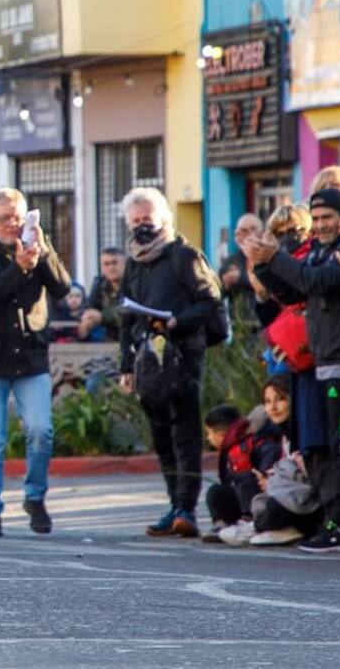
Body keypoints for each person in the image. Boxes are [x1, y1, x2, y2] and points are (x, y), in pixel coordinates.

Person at [247, 187, 340, 552]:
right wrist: (263, 265)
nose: (322, 225)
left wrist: (276, 256)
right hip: (323, 365)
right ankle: (333, 518)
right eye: (318, 218)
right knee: (327, 449)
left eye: (328, 218)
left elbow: (316, 281)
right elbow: (297, 293)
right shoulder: (324, 251)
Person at [118, 187, 223, 539]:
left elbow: (209, 301)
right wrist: (124, 366)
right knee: (161, 435)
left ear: (163, 218)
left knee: (185, 432)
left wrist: (177, 320)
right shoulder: (133, 261)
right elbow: (126, 316)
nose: (142, 227)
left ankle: (186, 508)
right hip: (149, 360)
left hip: (184, 353)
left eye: (147, 219)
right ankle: (173, 503)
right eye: (135, 221)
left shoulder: (183, 254)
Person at [0, 188, 71, 537]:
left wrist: (42, 254)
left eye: (18, 217)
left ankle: (35, 498)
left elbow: (62, 288)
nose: (12, 224)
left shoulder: (35, 243)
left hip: (30, 355)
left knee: (41, 430)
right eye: (5, 218)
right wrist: (18, 267)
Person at [248, 375, 325, 546]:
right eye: (267, 402)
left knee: (272, 511)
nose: (273, 407)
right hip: (291, 496)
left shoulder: (309, 433)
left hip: (311, 503)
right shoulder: (283, 436)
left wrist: (278, 483)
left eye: (280, 399)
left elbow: (316, 478)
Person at [201, 402, 281, 546]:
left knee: (245, 480)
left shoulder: (252, 441)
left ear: (220, 433)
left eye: (209, 433)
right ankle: (222, 524)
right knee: (216, 492)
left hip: (261, 497)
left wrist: (263, 473)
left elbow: (271, 451)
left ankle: (249, 521)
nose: (208, 438)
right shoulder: (231, 447)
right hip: (241, 499)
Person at [219, 213, 264, 326]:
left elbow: (267, 284)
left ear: (262, 232)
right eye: (244, 230)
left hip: (265, 323)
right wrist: (224, 282)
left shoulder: (269, 257)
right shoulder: (231, 261)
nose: (249, 234)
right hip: (238, 324)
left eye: (253, 229)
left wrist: (241, 278)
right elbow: (219, 292)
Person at [82, 248, 125, 341]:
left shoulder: (134, 284)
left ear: (124, 264)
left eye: (115, 263)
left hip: (133, 338)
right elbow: (89, 306)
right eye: (106, 264)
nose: (111, 268)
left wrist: (102, 317)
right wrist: (87, 317)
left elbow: (131, 314)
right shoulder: (100, 284)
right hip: (108, 339)